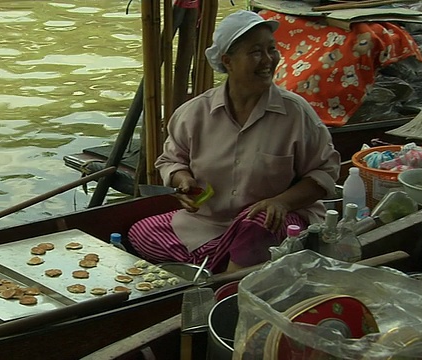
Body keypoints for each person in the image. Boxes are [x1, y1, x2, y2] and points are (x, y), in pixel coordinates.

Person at [127, 10, 341, 274]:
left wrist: (282, 202)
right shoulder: (194, 113)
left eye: (271, 49)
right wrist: (182, 180)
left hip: (271, 220)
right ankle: (232, 263)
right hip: (209, 223)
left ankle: (224, 281)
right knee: (141, 231)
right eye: (255, 52)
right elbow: (171, 160)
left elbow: (325, 173)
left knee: (257, 224)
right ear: (227, 62)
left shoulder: (296, 114)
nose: (268, 60)